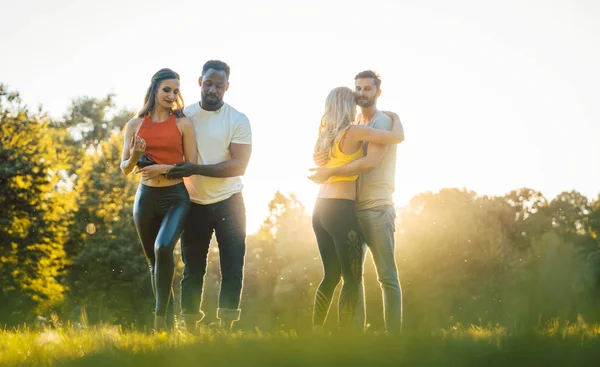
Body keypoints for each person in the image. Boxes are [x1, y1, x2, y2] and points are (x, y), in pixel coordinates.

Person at [310, 70, 405, 335]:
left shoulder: (376, 123)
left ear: (378, 92)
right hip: (346, 209)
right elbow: (394, 140)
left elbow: (372, 162)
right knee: (353, 278)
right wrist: (400, 127)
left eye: (366, 89)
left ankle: (388, 335)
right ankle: (350, 335)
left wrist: (328, 171)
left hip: (371, 205)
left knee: (375, 276)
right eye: (358, 90)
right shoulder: (353, 129)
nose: (361, 94)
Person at [165, 60, 252, 332]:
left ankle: (226, 325)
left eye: (219, 85)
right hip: (193, 202)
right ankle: (189, 323)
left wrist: (196, 169)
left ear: (227, 87)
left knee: (233, 264)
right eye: (209, 83)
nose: (213, 89)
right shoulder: (183, 116)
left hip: (230, 201)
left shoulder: (238, 119)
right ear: (199, 82)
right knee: (193, 266)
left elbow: (239, 166)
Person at [120, 68, 198, 331]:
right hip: (145, 198)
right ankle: (168, 326)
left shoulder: (183, 123)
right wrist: (135, 155)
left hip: (176, 197)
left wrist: (162, 168)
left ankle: (159, 321)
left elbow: (192, 164)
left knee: (163, 248)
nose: (171, 95)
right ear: (154, 89)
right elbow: (125, 168)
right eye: (167, 89)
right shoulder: (135, 124)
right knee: (155, 262)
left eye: (176, 91)